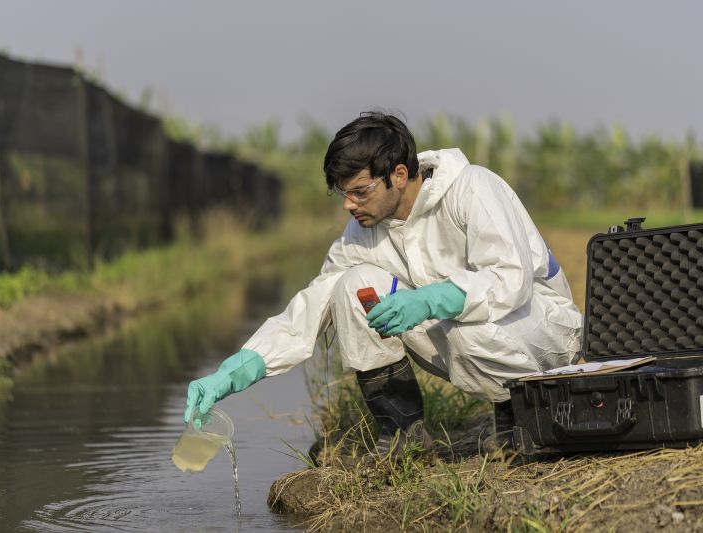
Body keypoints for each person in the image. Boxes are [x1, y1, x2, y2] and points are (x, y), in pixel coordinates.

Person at [184, 111, 583, 453]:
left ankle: (518, 416)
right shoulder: (363, 232)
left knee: (465, 325)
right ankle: (402, 434)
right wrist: (235, 371)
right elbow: (311, 307)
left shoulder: (472, 188)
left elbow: (509, 279)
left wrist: (430, 299)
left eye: (359, 192)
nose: (348, 205)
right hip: (468, 336)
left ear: (399, 174)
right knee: (351, 287)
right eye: (342, 194)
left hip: (542, 331)